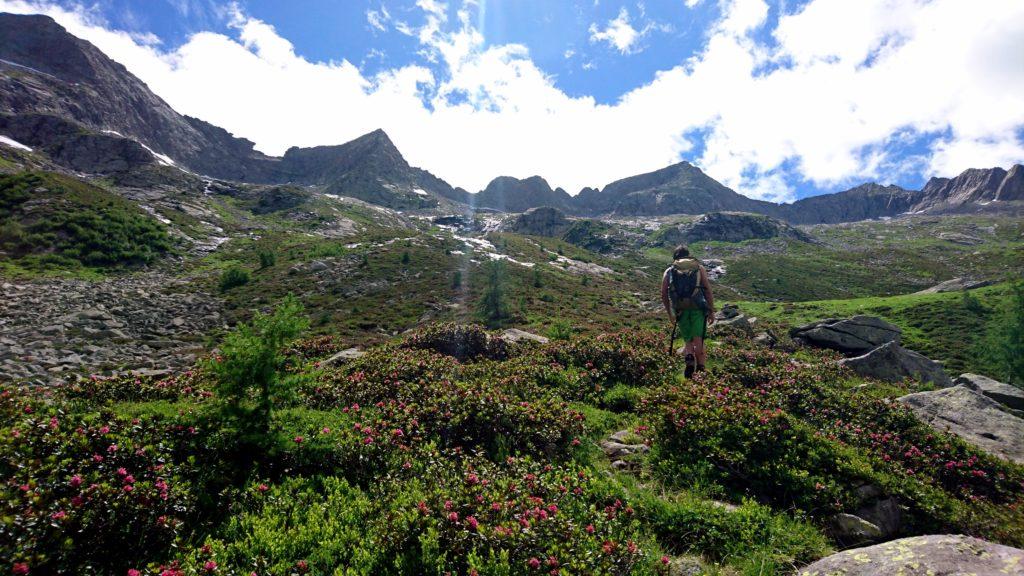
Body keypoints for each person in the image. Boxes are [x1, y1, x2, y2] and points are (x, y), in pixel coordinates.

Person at [661, 244, 716, 378]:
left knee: (688, 340)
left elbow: (663, 293)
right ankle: (701, 370)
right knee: (698, 339)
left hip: (680, 309)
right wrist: (711, 310)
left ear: (675, 257)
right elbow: (707, 290)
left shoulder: (670, 271)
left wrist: (670, 313)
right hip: (698, 308)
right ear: (688, 255)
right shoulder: (699, 268)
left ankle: (690, 365)